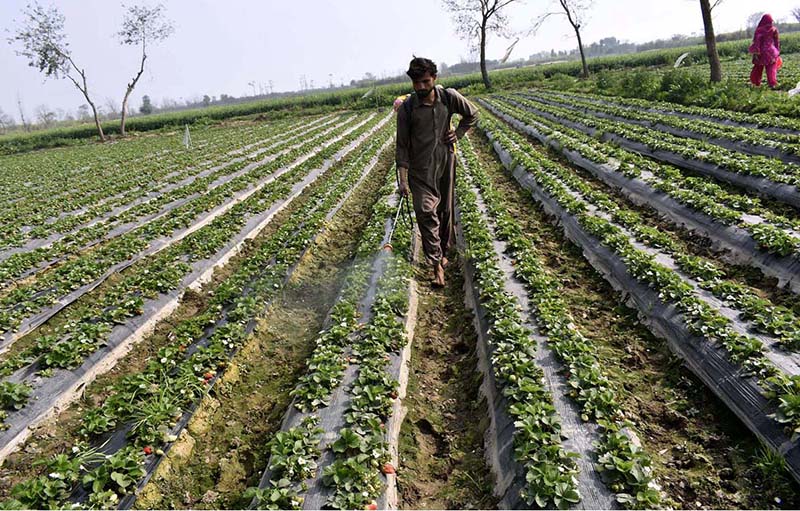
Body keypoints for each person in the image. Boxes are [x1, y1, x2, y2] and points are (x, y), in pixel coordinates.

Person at [396, 57, 478, 287]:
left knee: (444, 211)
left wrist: (459, 133)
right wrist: (402, 181)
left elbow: (472, 114)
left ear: (434, 79)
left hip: (445, 163)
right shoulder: (407, 109)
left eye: (425, 81)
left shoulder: (448, 97)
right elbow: (401, 147)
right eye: (416, 83)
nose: (421, 87)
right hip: (419, 171)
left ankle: (443, 253)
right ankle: (436, 267)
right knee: (424, 211)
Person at [749, 13, 781, 88]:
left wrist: (756, 52)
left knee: (758, 68)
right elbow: (776, 42)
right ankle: (772, 83)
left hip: (761, 52)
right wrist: (777, 51)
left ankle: (756, 83)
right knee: (771, 68)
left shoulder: (759, 30)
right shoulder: (774, 29)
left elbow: (757, 42)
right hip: (772, 51)